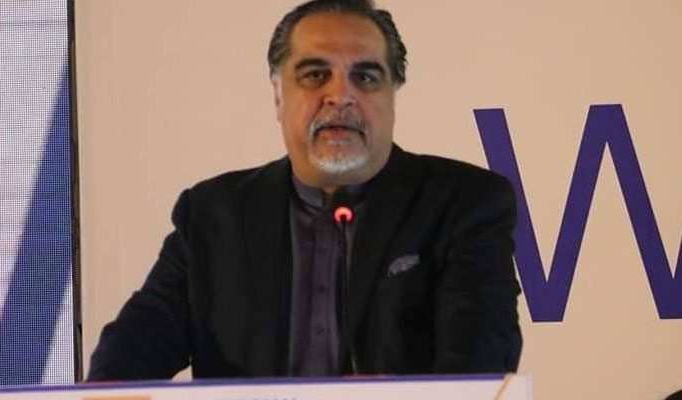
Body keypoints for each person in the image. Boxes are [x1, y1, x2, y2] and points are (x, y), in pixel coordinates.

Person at [88, 0, 522, 380]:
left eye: (366, 77)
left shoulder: (463, 203)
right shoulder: (212, 214)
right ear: (278, 96)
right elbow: (135, 345)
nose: (340, 95)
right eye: (315, 75)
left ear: (393, 96)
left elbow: (479, 359)